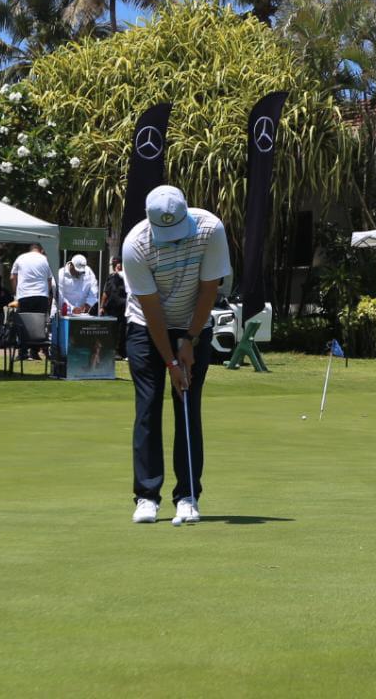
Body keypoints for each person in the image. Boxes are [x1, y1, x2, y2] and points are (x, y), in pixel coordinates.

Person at [123, 185, 231, 525]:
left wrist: (190, 339)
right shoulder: (135, 245)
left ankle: (188, 495)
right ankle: (146, 496)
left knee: (187, 405)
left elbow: (209, 290)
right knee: (149, 404)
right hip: (145, 326)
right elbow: (152, 311)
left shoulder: (210, 229)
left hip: (193, 322)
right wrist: (171, 361)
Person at [10, 243, 54, 360]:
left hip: (24, 295)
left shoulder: (21, 258)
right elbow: (49, 279)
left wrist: (15, 294)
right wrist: (47, 293)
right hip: (41, 295)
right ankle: (34, 352)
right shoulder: (45, 260)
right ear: (40, 250)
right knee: (39, 325)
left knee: (23, 324)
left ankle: (22, 352)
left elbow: (12, 277)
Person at [100, 257, 128, 358]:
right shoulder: (110, 277)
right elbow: (105, 292)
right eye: (116, 265)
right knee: (111, 330)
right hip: (111, 308)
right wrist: (102, 306)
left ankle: (120, 352)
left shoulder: (127, 278)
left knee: (121, 331)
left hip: (123, 308)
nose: (118, 266)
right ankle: (109, 350)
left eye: (119, 264)